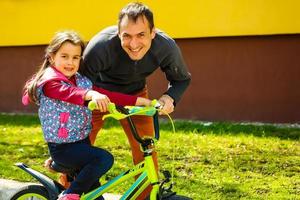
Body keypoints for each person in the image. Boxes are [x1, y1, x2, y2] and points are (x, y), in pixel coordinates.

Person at [22, 30, 153, 200]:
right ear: (52, 57)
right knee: (104, 159)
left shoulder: (81, 80)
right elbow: (70, 92)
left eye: (76, 57)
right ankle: (69, 195)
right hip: (64, 149)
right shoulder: (50, 83)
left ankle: (70, 185)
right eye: (65, 56)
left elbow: (107, 94)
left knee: (95, 196)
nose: (70, 62)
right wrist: (91, 95)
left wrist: (138, 101)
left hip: (81, 145)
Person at [80, 2, 191, 199]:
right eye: (127, 36)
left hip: (136, 96)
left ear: (153, 33)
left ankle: (146, 196)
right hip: (97, 95)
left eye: (141, 35)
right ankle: (70, 193)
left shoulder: (165, 47)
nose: (133, 44)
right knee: (78, 146)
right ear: (118, 33)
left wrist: (170, 97)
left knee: (146, 148)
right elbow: (80, 85)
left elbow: (181, 79)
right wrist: (92, 99)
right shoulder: (99, 47)